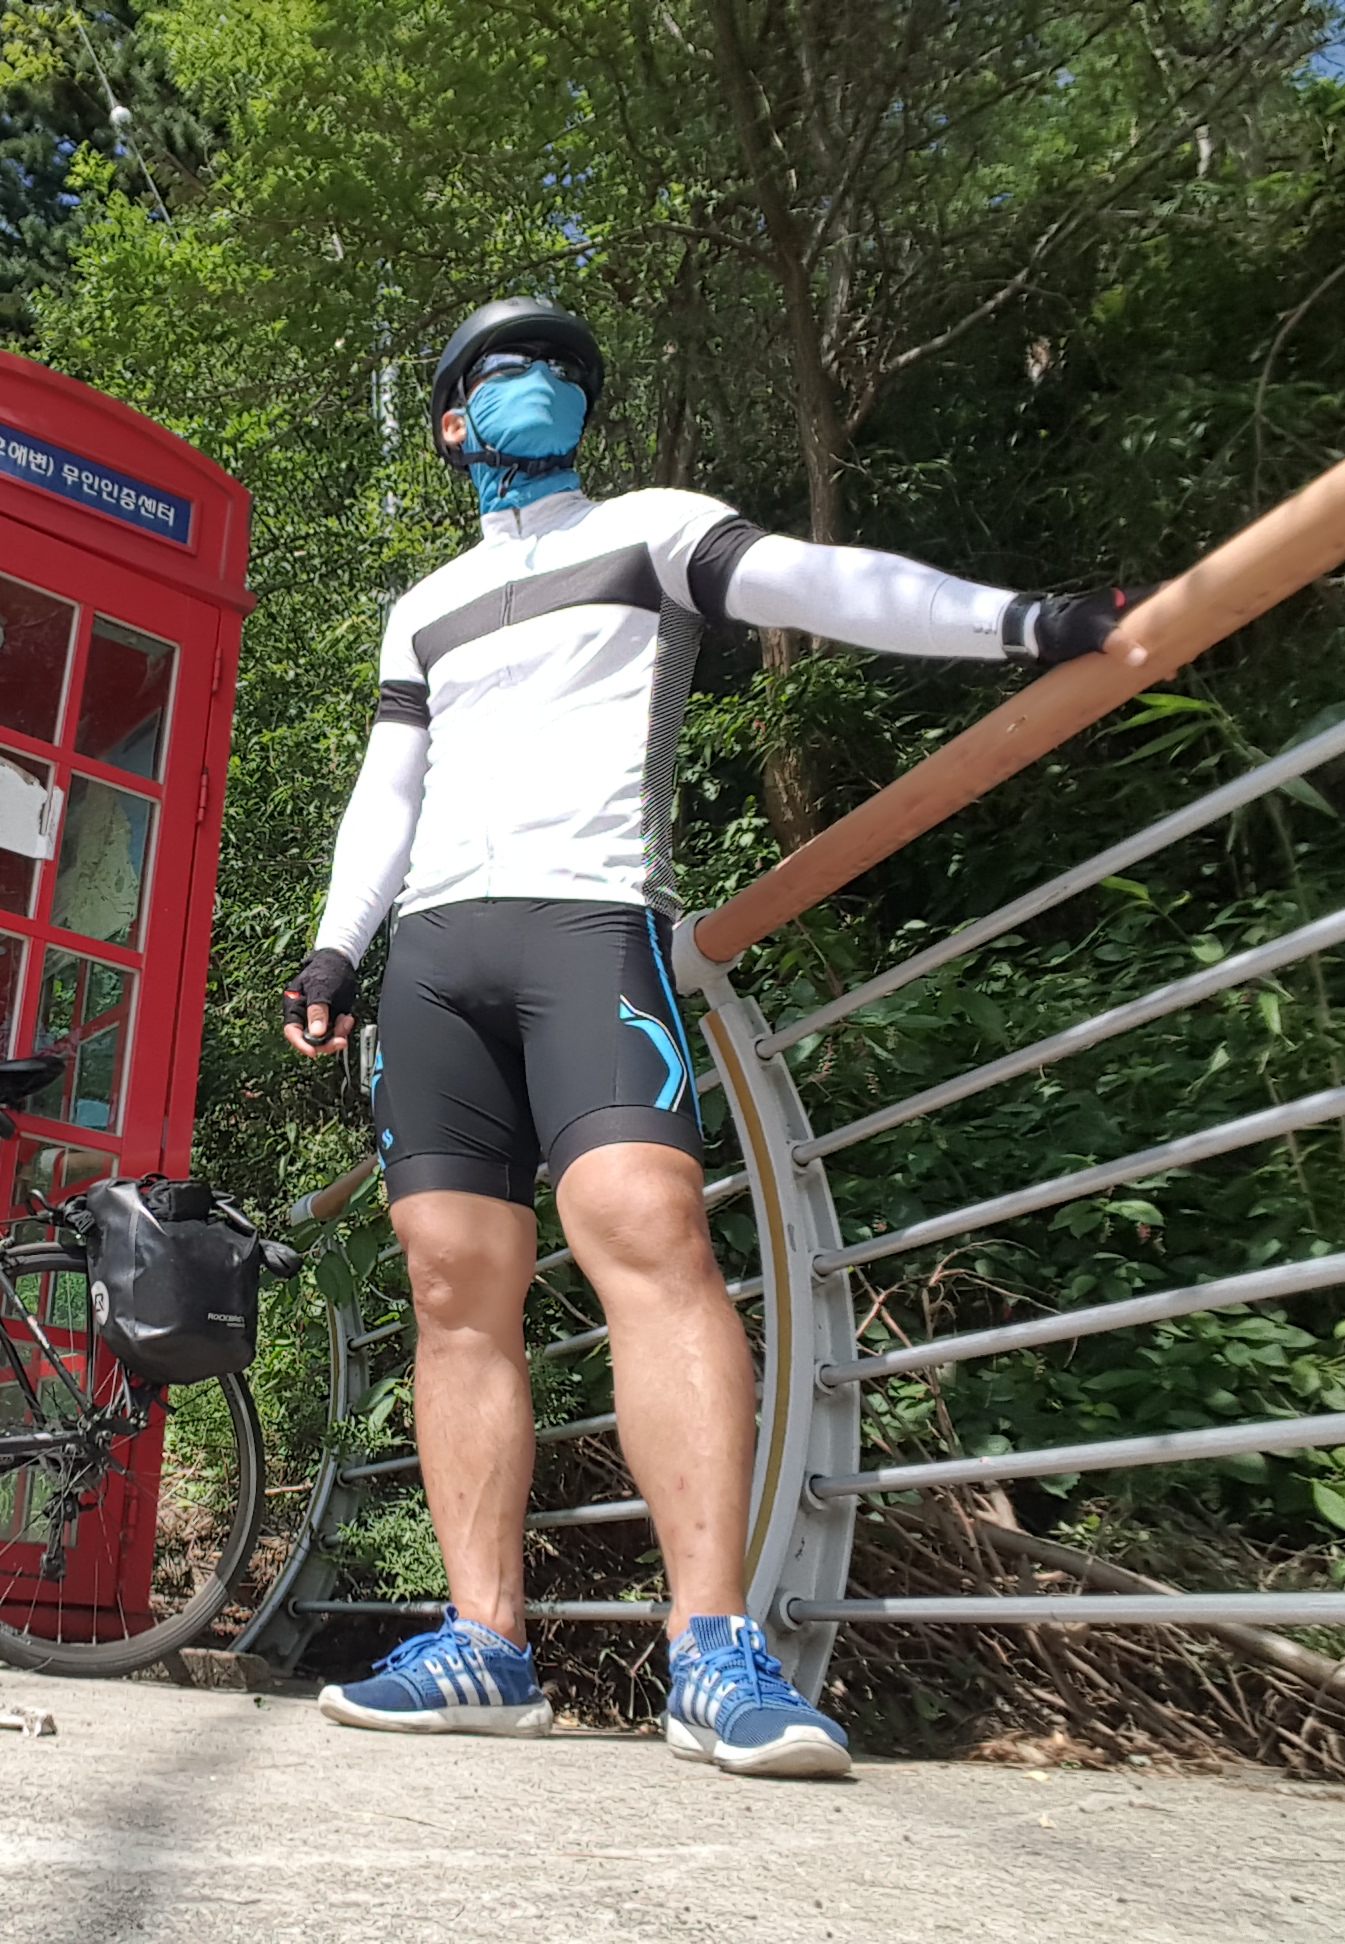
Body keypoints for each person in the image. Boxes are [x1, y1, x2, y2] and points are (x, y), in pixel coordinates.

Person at [283, 298, 1140, 1779]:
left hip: (590, 924)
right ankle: (484, 1645)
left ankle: (715, 1651)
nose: (540, 383)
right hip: (432, 956)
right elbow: (389, 789)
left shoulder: (655, 529)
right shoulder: (419, 604)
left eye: (562, 368)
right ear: (452, 421)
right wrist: (335, 947)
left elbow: (823, 583)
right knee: (450, 1289)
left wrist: (1020, 622)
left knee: (651, 1230)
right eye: (504, 369)